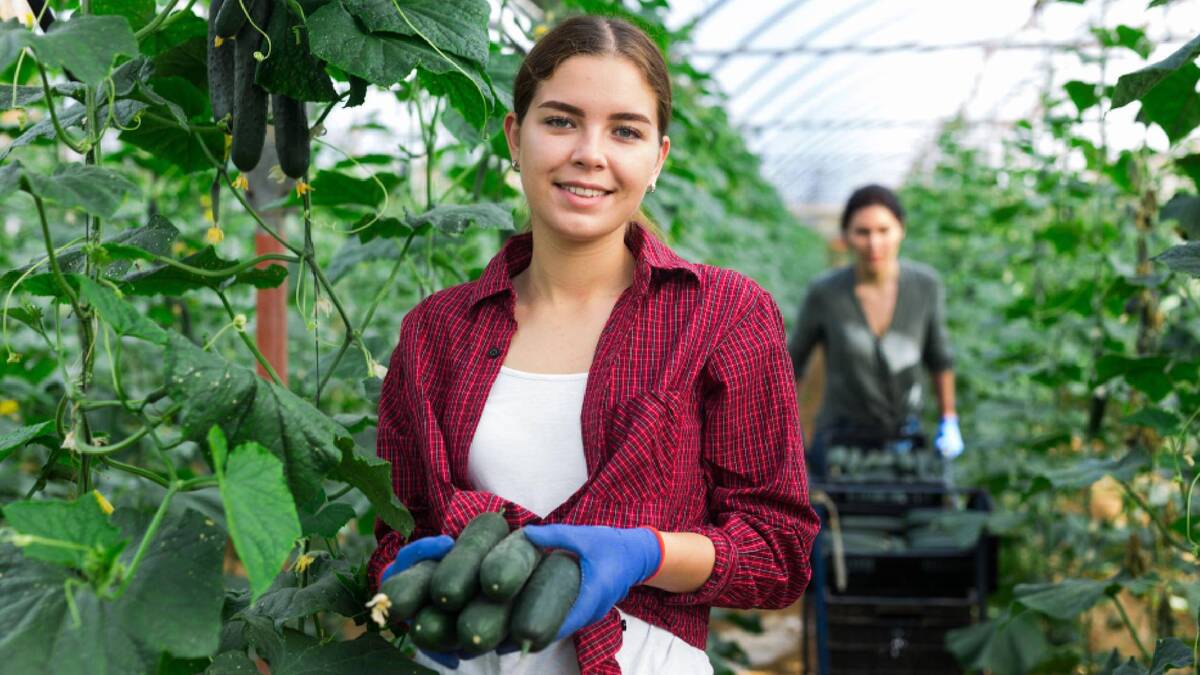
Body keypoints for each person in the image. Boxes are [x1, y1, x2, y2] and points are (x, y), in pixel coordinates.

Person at [365, 15, 819, 675]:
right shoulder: (435, 331)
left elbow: (777, 553)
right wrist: (404, 579)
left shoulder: (723, 315)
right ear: (514, 138)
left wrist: (646, 553)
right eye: (560, 121)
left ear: (657, 159)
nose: (590, 153)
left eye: (625, 130)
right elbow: (395, 532)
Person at [789, 184, 963, 480]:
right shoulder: (826, 293)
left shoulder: (925, 287)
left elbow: (939, 359)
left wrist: (949, 418)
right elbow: (793, 364)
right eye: (862, 232)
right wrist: (788, 433)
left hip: (905, 438)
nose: (874, 243)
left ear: (901, 230)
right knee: (833, 519)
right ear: (846, 236)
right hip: (840, 439)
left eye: (884, 230)